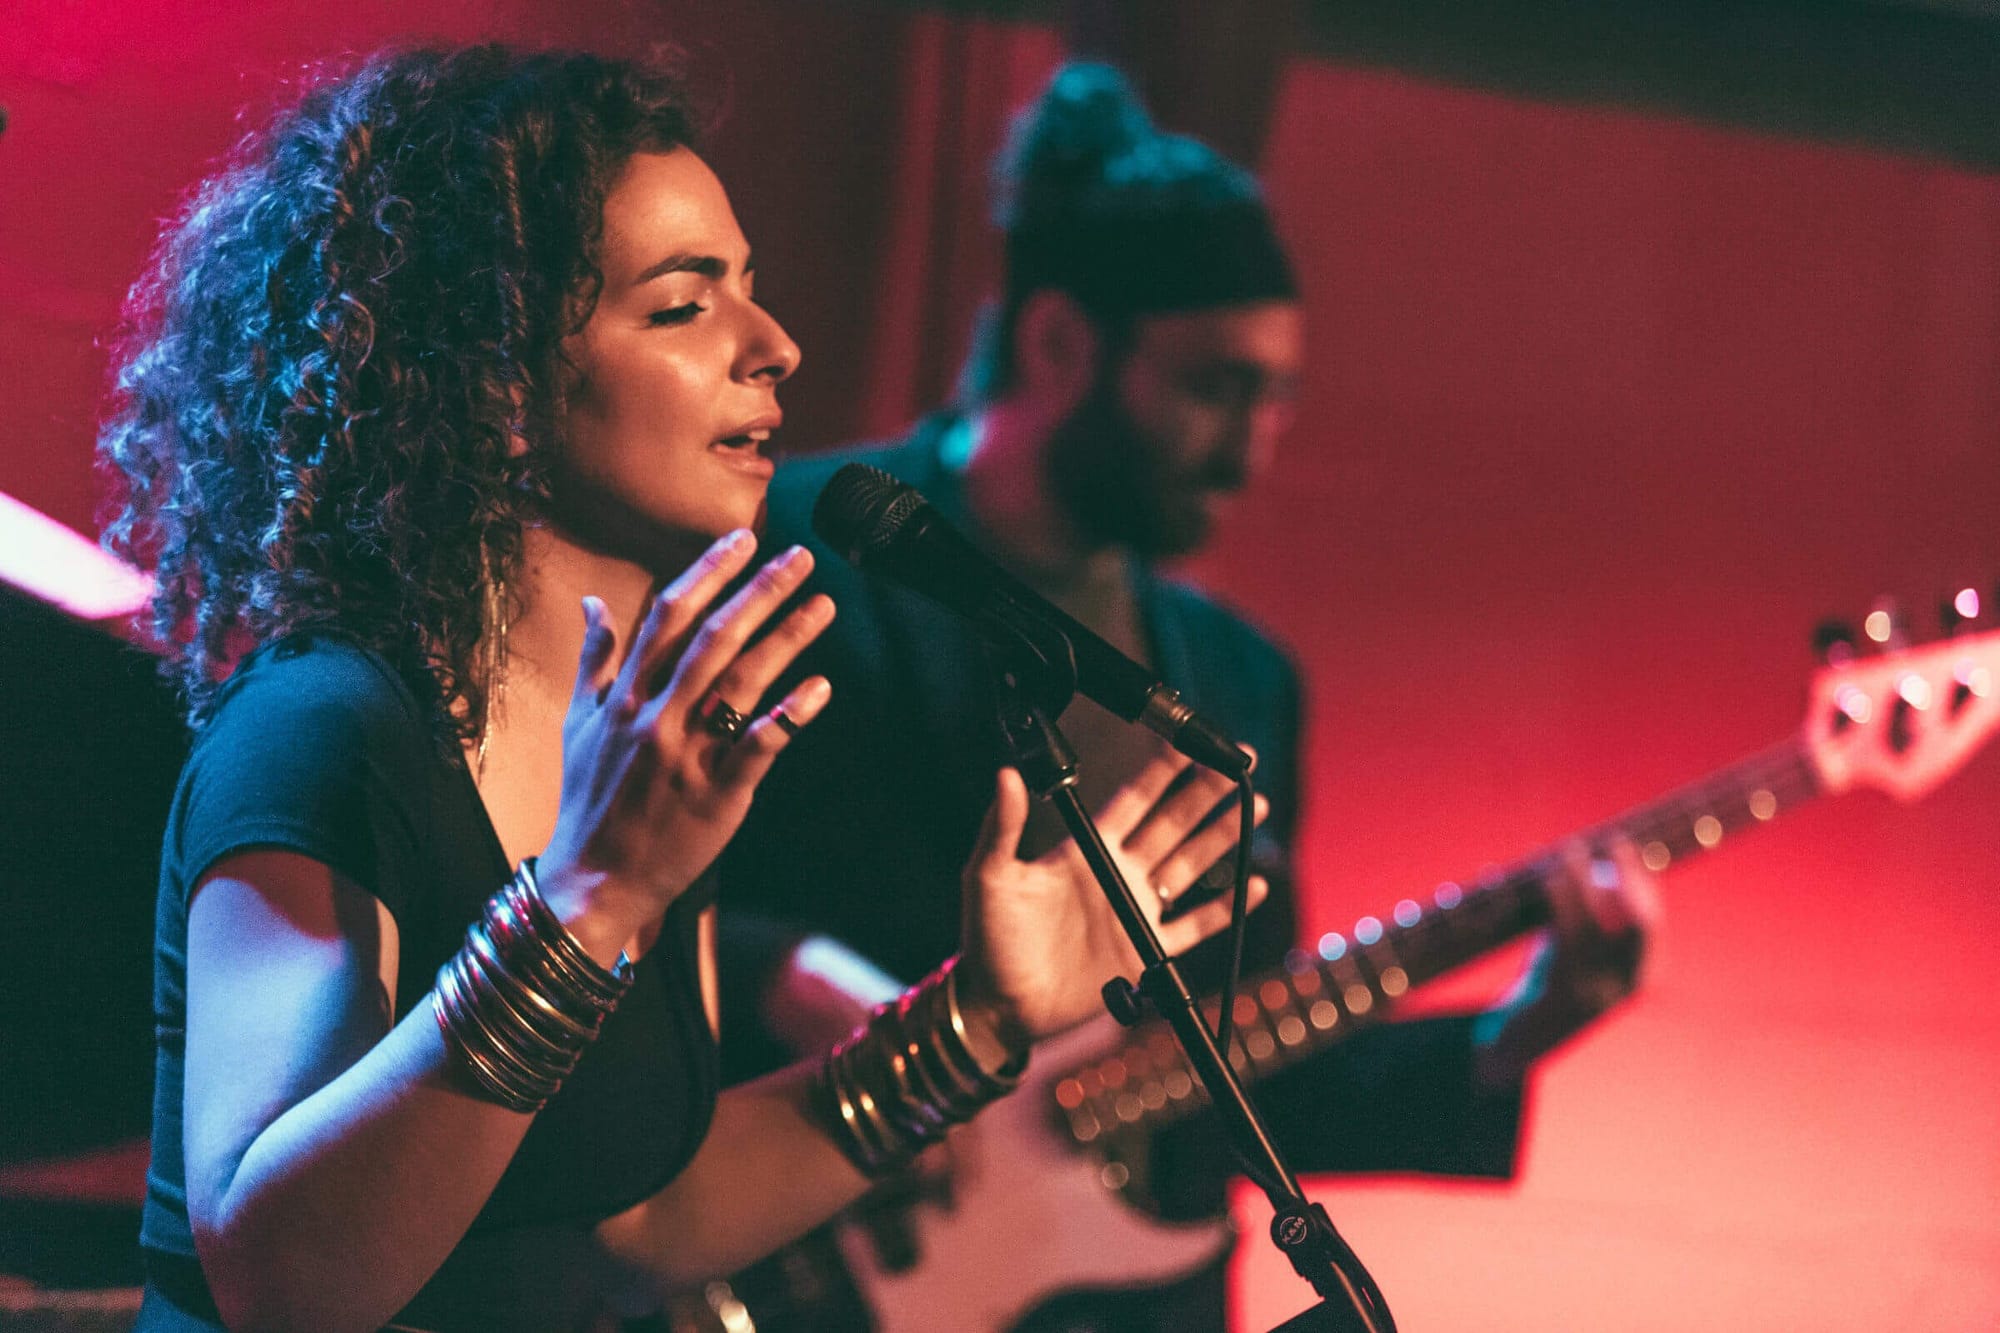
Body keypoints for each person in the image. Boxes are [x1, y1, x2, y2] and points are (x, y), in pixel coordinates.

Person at [97, 46, 1263, 1333]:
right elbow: (285, 1279)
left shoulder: (659, 754)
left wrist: (977, 1023)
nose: (773, 346)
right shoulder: (326, 732)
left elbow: (651, 1213)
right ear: (493, 381)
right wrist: (587, 903)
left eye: (748, 294)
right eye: (681, 306)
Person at [714, 62, 1657, 1328]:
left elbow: (1230, 1072)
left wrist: (1519, 1026)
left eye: (1276, 397)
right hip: (790, 1265)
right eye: (1216, 385)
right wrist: (776, 965)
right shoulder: (803, 548)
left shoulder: (1240, 683)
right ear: (1059, 342)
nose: (1253, 441)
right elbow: (583, 869)